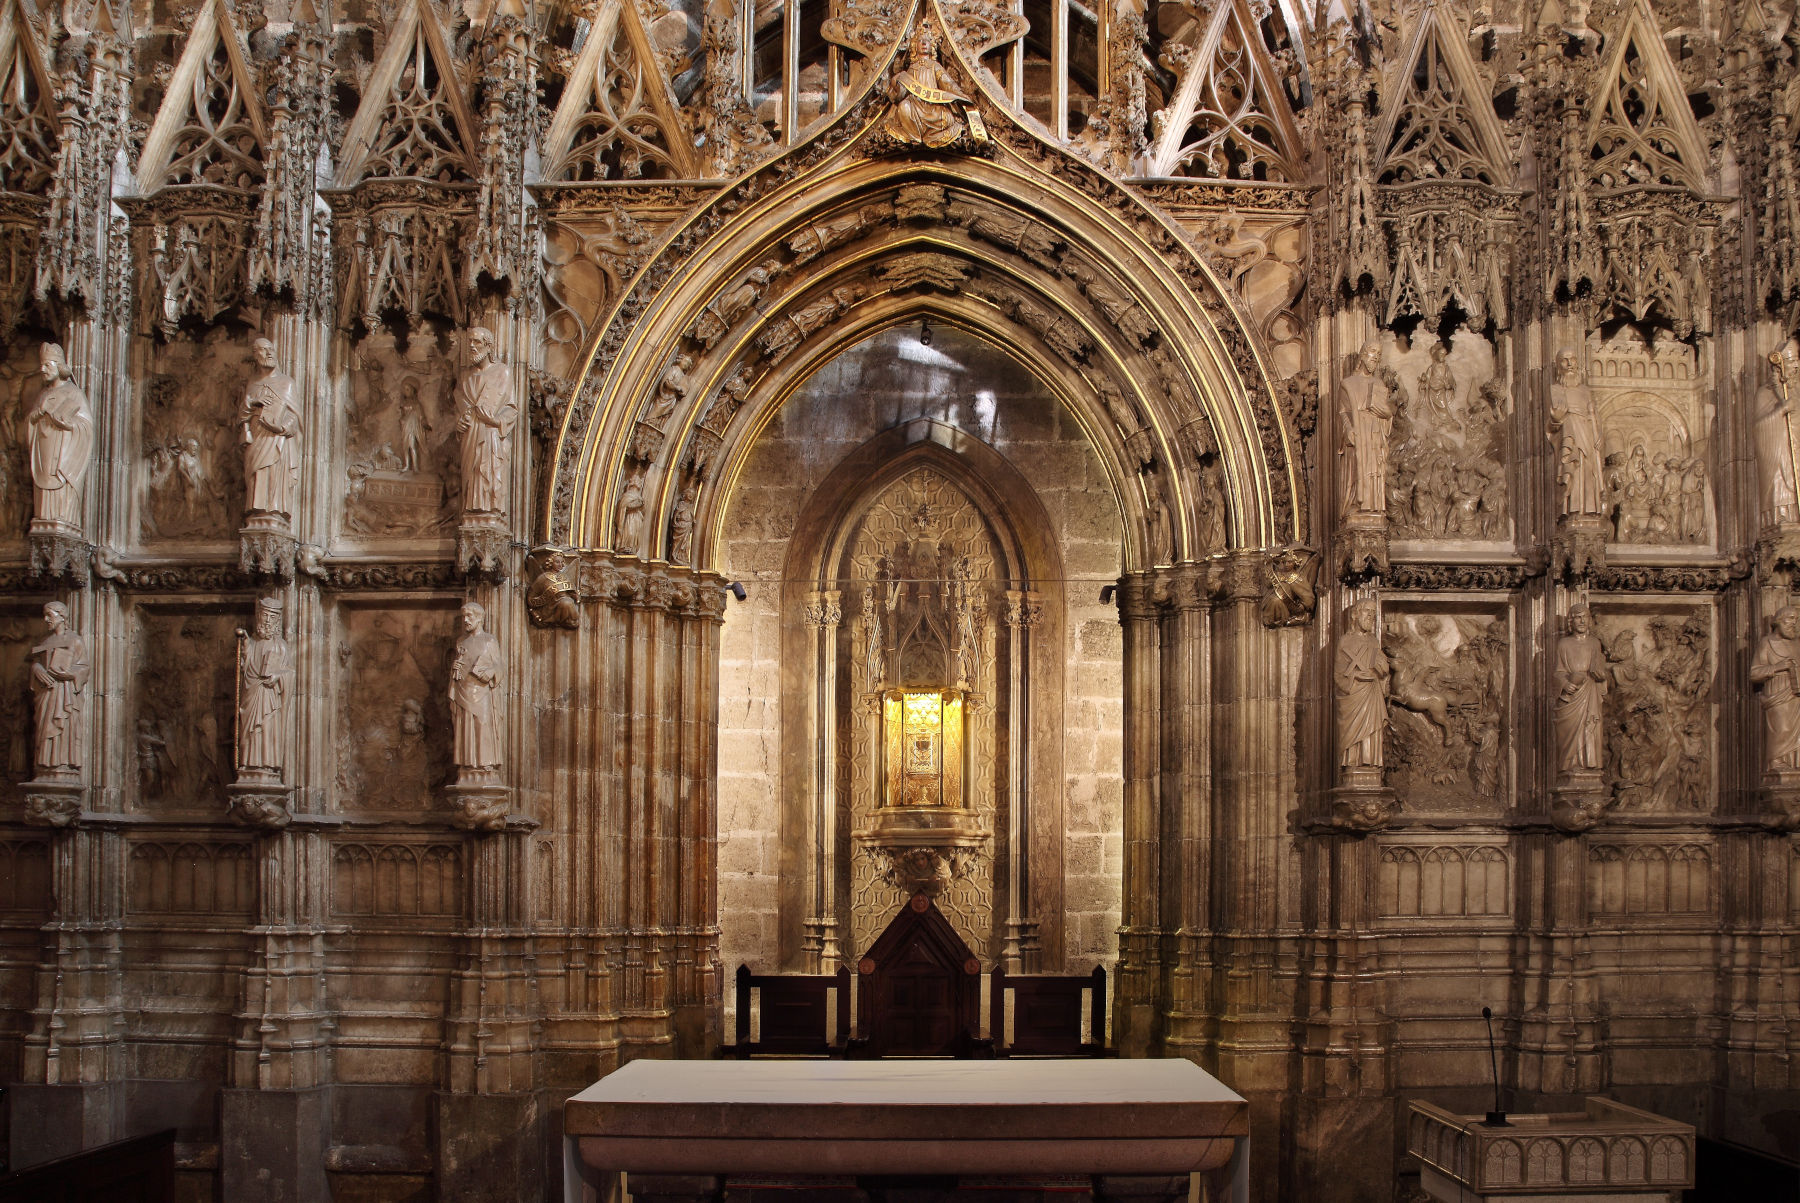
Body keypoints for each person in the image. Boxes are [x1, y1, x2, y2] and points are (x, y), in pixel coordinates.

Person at [27, 343, 93, 533]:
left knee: (61, 500)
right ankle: (45, 520)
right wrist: (38, 415)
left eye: (48, 365)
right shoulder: (43, 394)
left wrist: (67, 425)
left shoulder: (74, 393)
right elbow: (31, 422)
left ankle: (64, 524)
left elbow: (86, 428)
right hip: (44, 456)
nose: (42, 369)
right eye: (42, 365)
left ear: (59, 366)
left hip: (63, 458)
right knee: (43, 499)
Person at [886, 25, 979, 148]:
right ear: (914, 46)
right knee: (903, 107)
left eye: (927, 41)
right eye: (920, 41)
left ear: (932, 46)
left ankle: (929, 136)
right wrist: (896, 83)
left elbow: (948, 84)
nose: (924, 43)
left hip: (934, 107)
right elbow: (902, 92)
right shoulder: (911, 69)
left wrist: (961, 96)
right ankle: (916, 138)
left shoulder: (935, 66)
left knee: (947, 118)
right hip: (915, 106)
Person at [239, 338, 301, 522]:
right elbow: (241, 416)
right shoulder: (252, 383)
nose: (269, 354)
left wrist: (281, 427)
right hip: (257, 436)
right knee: (255, 474)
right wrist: (252, 402)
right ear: (255, 355)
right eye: (264, 350)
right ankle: (256, 511)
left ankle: (274, 512)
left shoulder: (286, 383)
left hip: (277, 438)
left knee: (274, 473)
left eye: (271, 350)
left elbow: (295, 416)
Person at [457, 327, 516, 517]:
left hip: (491, 436)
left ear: (489, 346)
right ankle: (472, 511)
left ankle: (490, 513)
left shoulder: (502, 373)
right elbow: (461, 409)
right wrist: (459, 423)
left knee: (489, 479)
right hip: (470, 436)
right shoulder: (464, 377)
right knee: (470, 476)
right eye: (470, 342)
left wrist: (494, 420)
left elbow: (511, 409)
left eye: (477, 342)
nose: (472, 346)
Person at [237, 596, 294, 782]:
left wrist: (278, 677)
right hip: (252, 694)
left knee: (267, 728)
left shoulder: (281, 646)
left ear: (277, 621)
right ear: (259, 618)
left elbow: (289, 673)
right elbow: (245, 668)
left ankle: (268, 765)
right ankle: (247, 764)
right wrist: (245, 646)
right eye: (264, 616)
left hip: (270, 696)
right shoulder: (252, 643)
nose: (267, 621)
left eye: (271, 618)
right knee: (249, 730)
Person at [31, 600, 89, 775]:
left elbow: (84, 667)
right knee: (44, 727)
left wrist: (70, 674)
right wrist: (37, 669)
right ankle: (44, 765)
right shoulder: (45, 641)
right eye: (45, 615)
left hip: (65, 693)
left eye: (50, 615)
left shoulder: (75, 640)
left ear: (62, 616)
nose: (46, 619)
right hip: (47, 693)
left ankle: (63, 765)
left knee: (63, 724)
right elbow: (36, 663)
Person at [1337, 342, 1395, 517]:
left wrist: (1387, 414)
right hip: (1358, 433)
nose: (1376, 357)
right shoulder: (1347, 384)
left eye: (1379, 353)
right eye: (1372, 352)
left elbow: (1386, 413)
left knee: (1375, 471)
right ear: (1362, 355)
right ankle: (1356, 503)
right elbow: (1343, 412)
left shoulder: (1378, 383)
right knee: (1356, 471)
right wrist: (1348, 429)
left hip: (1374, 434)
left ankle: (1373, 506)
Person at [1548, 347, 1604, 518]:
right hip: (1569, 433)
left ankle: (1589, 509)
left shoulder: (1586, 391)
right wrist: (1556, 420)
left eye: (1572, 359)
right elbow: (1551, 425)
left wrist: (1598, 433)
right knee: (1573, 468)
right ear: (1558, 365)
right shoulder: (1556, 389)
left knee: (1588, 471)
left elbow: (1593, 415)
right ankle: (1571, 510)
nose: (1570, 363)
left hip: (1587, 432)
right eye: (1565, 360)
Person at [1552, 605, 1606, 775]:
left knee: (1591, 727)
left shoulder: (1594, 643)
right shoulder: (1564, 644)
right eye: (1578, 617)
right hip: (1572, 694)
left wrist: (1600, 675)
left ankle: (1589, 766)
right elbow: (1558, 672)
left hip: (1589, 691)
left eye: (1585, 617)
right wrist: (1564, 683)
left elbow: (1600, 670)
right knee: (1569, 733)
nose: (1582, 621)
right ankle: (1570, 767)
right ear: (1571, 621)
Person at [449, 601, 501, 775]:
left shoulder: (489, 640)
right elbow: (460, 662)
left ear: (480, 618)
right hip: (463, 688)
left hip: (481, 690)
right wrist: (454, 667)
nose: (465, 620)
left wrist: (490, 672)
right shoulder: (461, 641)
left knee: (482, 723)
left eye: (469, 616)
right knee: (465, 726)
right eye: (464, 616)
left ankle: (485, 763)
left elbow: (499, 666)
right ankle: (467, 763)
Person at [1335, 600, 1388, 768]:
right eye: (1367, 611)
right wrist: (1356, 675)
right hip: (1354, 694)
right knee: (1352, 733)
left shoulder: (1373, 642)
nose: (1371, 616)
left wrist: (1378, 668)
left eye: (1373, 612)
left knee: (1373, 729)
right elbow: (1339, 673)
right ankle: (1353, 764)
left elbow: (1380, 664)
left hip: (1371, 692)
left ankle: (1370, 762)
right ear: (1355, 614)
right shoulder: (1345, 641)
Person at [1756, 343, 1800, 526]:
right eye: (1792, 361)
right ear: (1779, 365)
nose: (1797, 365)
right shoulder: (1765, 393)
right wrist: (1780, 411)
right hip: (1780, 455)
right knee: (1783, 489)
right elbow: (1758, 428)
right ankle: (1783, 517)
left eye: (1797, 359)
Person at [1753, 605, 1800, 775]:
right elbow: (1755, 673)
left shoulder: (1797, 644)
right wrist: (1778, 667)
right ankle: (1776, 763)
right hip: (1777, 695)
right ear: (1778, 622)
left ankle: (1794, 766)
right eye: (1790, 619)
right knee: (1782, 728)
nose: (1793, 624)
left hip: (1796, 695)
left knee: (1797, 733)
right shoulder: (1767, 642)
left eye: (1796, 620)